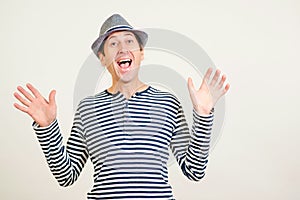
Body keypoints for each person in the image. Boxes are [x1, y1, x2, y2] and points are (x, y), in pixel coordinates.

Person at [13, 14, 230, 200]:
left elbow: (194, 170)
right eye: (113, 43)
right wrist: (48, 127)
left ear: (141, 54)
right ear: (102, 58)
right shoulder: (88, 109)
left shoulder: (168, 103)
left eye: (129, 41)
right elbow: (66, 175)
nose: (122, 48)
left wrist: (203, 115)